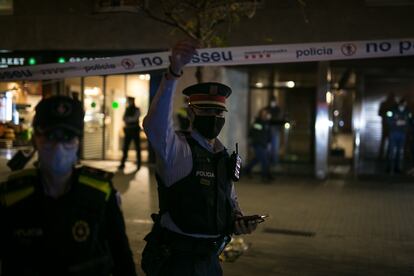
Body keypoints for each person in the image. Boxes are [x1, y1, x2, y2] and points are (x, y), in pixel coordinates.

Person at [141, 40, 258, 276]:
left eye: (218, 112)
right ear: (192, 112)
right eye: (206, 111)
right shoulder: (176, 149)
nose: (213, 117)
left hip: (211, 260)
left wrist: (239, 221)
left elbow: (229, 199)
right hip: (177, 262)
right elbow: (154, 124)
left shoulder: (223, 155)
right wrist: (173, 73)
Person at [0, 96, 137, 276]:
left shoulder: (100, 193)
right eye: (50, 136)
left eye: (67, 137)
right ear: (35, 140)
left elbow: (123, 260)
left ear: (78, 142)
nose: (58, 146)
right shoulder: (11, 196)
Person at [244, 108, 273, 181]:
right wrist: (251, 142)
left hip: (264, 144)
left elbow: (268, 133)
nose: (264, 115)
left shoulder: (267, 123)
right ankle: (265, 176)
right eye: (263, 113)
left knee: (257, 159)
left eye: (265, 113)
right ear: (260, 114)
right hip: (258, 144)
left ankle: (247, 169)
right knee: (264, 160)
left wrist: (269, 142)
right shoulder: (257, 122)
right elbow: (253, 133)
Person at [386, 98, 412, 174]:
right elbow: (388, 119)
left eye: (405, 104)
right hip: (393, 133)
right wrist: (396, 123)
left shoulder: (407, 112)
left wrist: (404, 123)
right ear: (400, 104)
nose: (404, 106)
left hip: (402, 133)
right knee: (391, 151)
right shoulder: (392, 110)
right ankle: (389, 167)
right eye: (403, 104)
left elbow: (410, 122)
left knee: (400, 152)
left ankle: (398, 168)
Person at [119, 96, 141, 170]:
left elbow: (134, 118)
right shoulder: (128, 109)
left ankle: (139, 164)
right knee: (126, 147)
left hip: (134, 130)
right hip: (128, 130)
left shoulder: (136, 109)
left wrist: (128, 119)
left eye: (129, 101)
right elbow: (124, 118)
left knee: (137, 147)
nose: (128, 102)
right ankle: (122, 163)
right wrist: (129, 119)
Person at [378, 92, 397, 160]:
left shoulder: (395, 104)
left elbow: (397, 114)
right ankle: (381, 156)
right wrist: (386, 113)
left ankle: (387, 156)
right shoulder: (384, 104)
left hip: (392, 125)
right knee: (383, 141)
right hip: (385, 125)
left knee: (390, 142)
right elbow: (379, 113)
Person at [265, 96, 283, 166]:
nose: (272, 103)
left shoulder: (278, 109)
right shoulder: (267, 108)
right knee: (268, 147)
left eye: (273, 101)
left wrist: (271, 117)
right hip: (268, 129)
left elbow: (279, 118)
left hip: (275, 129)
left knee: (275, 146)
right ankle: (268, 161)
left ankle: (274, 161)